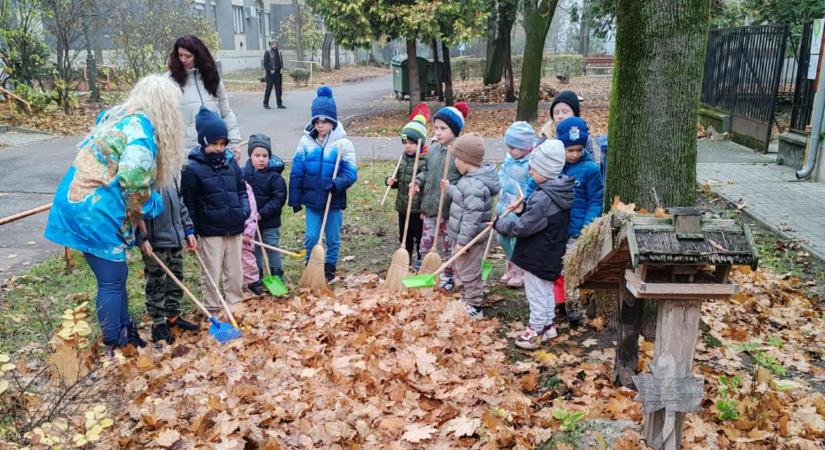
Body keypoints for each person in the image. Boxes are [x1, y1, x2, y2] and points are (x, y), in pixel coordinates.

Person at [44, 74, 186, 354]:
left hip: (78, 203)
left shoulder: (117, 119)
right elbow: (133, 183)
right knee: (110, 279)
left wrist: (137, 225)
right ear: (164, 108)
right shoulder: (142, 133)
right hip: (94, 211)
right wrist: (148, 207)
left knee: (116, 275)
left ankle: (125, 330)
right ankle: (115, 341)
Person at [495, 140, 574, 349]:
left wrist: (500, 224)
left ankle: (535, 329)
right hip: (550, 253)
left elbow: (523, 227)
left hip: (538, 255)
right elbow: (538, 220)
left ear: (546, 170)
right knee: (546, 290)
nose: (530, 171)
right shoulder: (558, 192)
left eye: (534, 168)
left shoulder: (543, 198)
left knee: (536, 293)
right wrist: (523, 210)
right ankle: (548, 325)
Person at [181, 107, 250, 314]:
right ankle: (212, 307)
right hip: (210, 230)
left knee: (235, 270)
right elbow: (189, 203)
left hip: (234, 225)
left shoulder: (231, 164)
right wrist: (190, 230)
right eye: (214, 144)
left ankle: (235, 304)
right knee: (211, 270)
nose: (219, 148)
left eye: (222, 144)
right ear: (203, 141)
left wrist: (243, 211)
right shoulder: (192, 169)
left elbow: (242, 191)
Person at [288, 86, 357, 282]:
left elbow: (351, 173)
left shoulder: (343, 144)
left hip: (332, 199)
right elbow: (297, 170)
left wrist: (337, 184)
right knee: (311, 236)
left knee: (333, 238)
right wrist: (294, 198)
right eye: (317, 121)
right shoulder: (305, 142)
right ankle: (311, 264)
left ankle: (329, 267)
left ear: (333, 122)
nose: (320, 125)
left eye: (325, 121)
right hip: (312, 199)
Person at [441, 133, 500, 318]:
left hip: (470, 240)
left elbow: (471, 218)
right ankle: (467, 299)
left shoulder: (474, 185)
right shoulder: (469, 181)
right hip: (463, 237)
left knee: (469, 272)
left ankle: (475, 306)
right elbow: (461, 197)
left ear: (465, 160)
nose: (455, 163)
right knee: (462, 270)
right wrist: (449, 188)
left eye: (456, 158)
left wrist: (463, 242)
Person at [136, 176, 200, 345]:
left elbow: (180, 204)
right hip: (155, 242)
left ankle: (173, 317)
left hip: (175, 238)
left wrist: (188, 229)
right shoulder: (142, 176)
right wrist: (141, 238)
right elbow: (133, 211)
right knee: (157, 282)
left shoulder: (169, 175)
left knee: (176, 279)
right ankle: (158, 324)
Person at [414, 102, 469, 290]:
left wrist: (451, 187)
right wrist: (418, 182)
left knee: (448, 245)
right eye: (436, 127)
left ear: (455, 131)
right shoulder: (434, 149)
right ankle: (427, 270)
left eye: (443, 129)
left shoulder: (459, 152)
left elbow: (466, 181)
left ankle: (448, 275)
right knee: (426, 242)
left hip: (448, 210)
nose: (438, 132)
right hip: (430, 206)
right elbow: (426, 170)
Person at [558, 117, 603, 323]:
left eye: (578, 149)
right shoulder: (556, 166)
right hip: (557, 229)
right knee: (556, 268)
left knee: (572, 269)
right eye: (570, 150)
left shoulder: (590, 169)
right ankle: (558, 302)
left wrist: (587, 226)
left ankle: (573, 307)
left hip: (577, 229)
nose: (575, 154)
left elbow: (595, 200)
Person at [168, 35, 241, 158]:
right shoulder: (169, 81)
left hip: (215, 147)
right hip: (187, 151)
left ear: (198, 56)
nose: (183, 60)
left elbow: (226, 112)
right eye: (180, 55)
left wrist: (235, 142)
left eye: (188, 56)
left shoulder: (212, 78)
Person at [496, 121, 538, 288]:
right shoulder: (509, 159)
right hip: (505, 207)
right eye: (508, 146)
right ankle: (513, 263)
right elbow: (502, 175)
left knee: (517, 241)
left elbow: (533, 188)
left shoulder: (532, 163)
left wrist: (523, 204)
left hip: (519, 209)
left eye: (513, 147)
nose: (509, 151)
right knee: (502, 238)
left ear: (526, 147)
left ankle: (521, 269)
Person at [386, 114, 428, 269]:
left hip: (417, 207)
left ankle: (420, 259)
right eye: (405, 143)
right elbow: (397, 178)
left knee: (419, 235)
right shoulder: (402, 159)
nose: (408, 146)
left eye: (411, 143)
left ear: (420, 143)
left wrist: (417, 182)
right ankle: (406, 258)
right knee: (404, 235)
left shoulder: (425, 160)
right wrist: (391, 181)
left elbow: (426, 178)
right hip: (403, 207)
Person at [243, 133, 287, 282]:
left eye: (265, 155)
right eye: (257, 155)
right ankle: (258, 276)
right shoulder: (244, 175)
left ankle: (276, 275)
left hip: (270, 221)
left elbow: (278, 198)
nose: (261, 159)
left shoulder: (275, 177)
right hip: (251, 222)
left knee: (272, 247)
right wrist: (249, 215)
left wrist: (262, 213)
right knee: (255, 248)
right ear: (250, 156)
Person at [539, 90, 600, 163]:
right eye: (556, 113)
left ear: (575, 114)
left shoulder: (583, 136)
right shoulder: (546, 135)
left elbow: (591, 161)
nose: (560, 116)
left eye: (565, 112)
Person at [241, 181, 262, 296]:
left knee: (247, 257)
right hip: (225, 229)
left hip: (245, 230)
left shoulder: (244, 186)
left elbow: (252, 209)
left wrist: (248, 231)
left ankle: (253, 283)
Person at [263, 40, 285, 109]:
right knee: (268, 88)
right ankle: (265, 103)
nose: (275, 45)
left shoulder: (279, 51)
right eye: (274, 44)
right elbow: (265, 63)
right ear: (271, 44)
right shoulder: (268, 52)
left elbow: (281, 61)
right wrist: (270, 70)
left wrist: (282, 68)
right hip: (271, 74)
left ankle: (279, 103)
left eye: (276, 44)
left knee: (279, 89)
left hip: (278, 73)